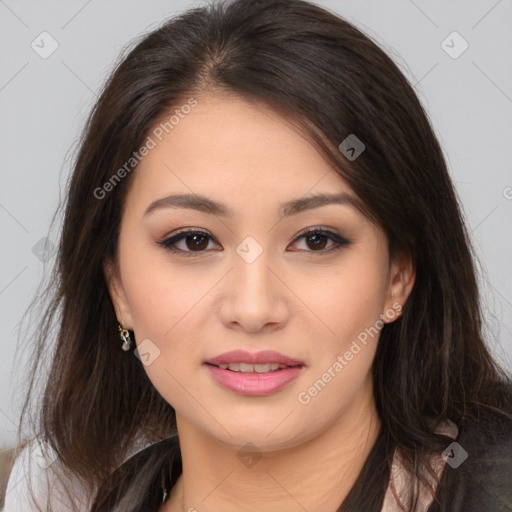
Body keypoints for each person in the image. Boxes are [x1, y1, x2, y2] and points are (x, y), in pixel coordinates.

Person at [4, 0, 512, 510]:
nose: (253, 309)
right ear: (117, 287)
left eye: (316, 239)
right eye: (193, 240)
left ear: (398, 276)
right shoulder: (54, 494)